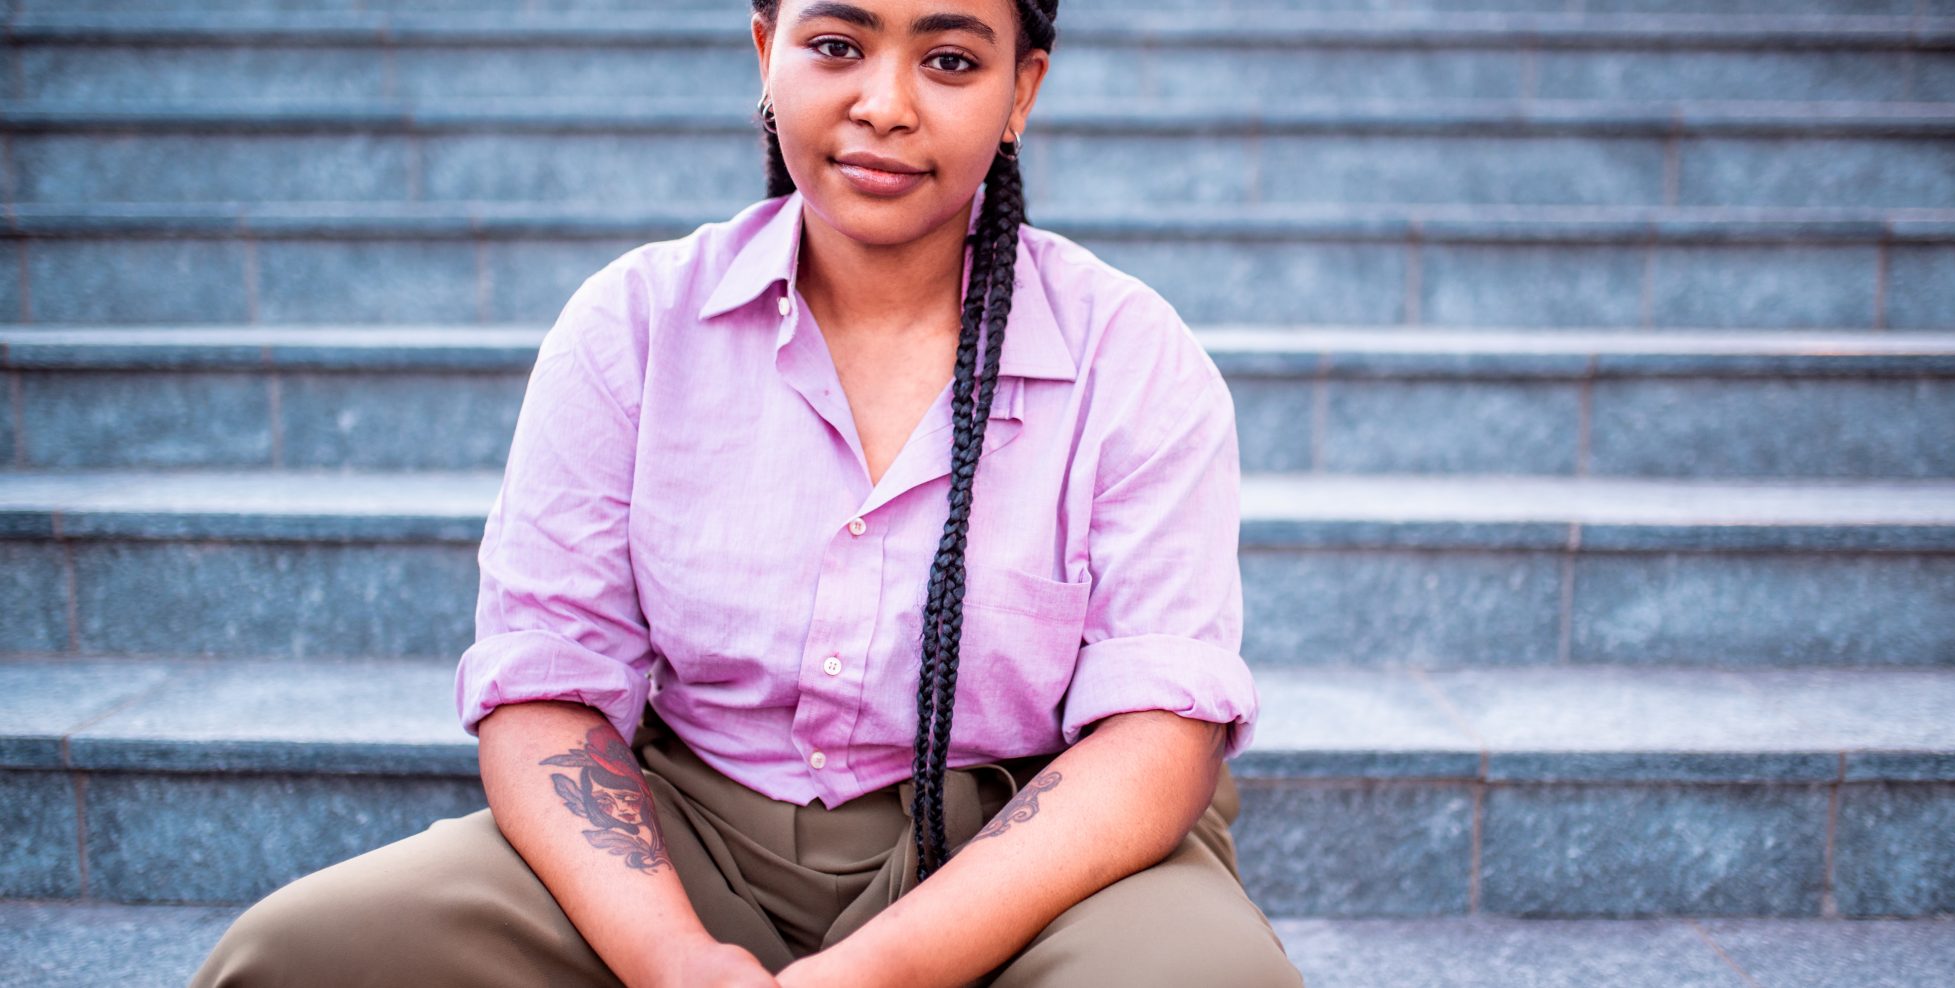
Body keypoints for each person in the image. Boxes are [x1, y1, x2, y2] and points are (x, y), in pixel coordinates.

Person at [191, 0, 1304, 984]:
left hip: (1020, 857)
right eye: (835, 44)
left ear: (1023, 91)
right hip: (681, 831)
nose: (885, 103)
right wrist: (671, 960)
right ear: (765, 53)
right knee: (291, 957)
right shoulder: (630, 326)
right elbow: (547, 686)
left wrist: (883, 967)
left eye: (951, 61)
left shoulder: (1134, 359)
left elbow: (1159, 737)